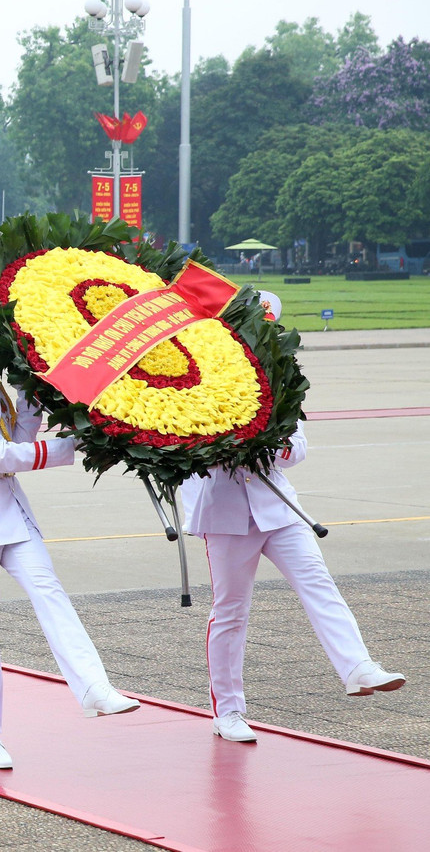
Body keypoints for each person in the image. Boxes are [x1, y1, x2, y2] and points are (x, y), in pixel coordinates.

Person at [0, 292, 138, 771]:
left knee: (51, 592)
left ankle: (94, 687)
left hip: (10, 509)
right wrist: (68, 448)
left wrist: (30, 400)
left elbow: (17, 440)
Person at [185, 291, 405, 744]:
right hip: (225, 513)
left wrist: (270, 443)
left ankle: (357, 667)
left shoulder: (282, 377)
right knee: (230, 612)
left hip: (278, 508)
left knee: (318, 582)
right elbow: (185, 449)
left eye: (268, 330)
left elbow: (298, 446)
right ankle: (228, 710)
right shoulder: (202, 375)